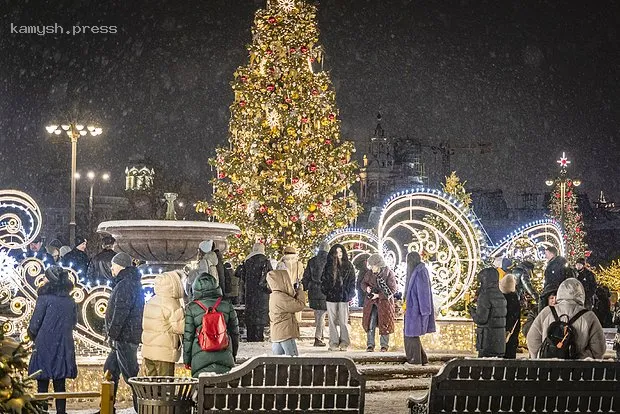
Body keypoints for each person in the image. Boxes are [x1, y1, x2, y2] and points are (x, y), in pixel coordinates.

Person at [27, 266, 77, 414]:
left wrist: (32, 335)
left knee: (42, 382)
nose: (43, 279)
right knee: (60, 383)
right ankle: (61, 411)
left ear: (50, 280)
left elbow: (35, 324)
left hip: (44, 344)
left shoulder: (44, 298)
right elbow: (74, 322)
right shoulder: (70, 300)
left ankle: (42, 411)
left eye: (45, 276)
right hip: (63, 344)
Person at [104, 252, 144, 412]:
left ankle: (141, 407)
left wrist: (112, 333)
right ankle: (107, 407)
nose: (111, 268)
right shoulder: (127, 282)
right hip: (123, 337)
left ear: (120, 265)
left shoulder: (126, 284)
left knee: (131, 375)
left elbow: (121, 311)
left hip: (124, 337)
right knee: (110, 370)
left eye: (113, 265)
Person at [527, 278, 606, 359]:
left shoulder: (547, 312)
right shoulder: (589, 316)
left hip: (549, 367)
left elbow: (532, 338)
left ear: (560, 292)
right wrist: (585, 357)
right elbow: (599, 348)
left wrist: (540, 356)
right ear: (581, 294)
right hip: (579, 369)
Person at [183, 273, 239, 377]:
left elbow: (188, 337)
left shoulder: (192, 308)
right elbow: (235, 333)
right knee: (223, 388)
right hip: (224, 357)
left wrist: (187, 361)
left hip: (200, 360)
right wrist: (232, 354)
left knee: (200, 390)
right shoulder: (227, 305)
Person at [141, 271, 185, 376]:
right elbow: (181, 328)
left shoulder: (151, 301)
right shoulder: (171, 304)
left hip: (148, 352)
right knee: (166, 387)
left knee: (151, 386)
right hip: (164, 353)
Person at [321, 244, 356, 351]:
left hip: (343, 297)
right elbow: (323, 280)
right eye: (337, 252)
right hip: (331, 297)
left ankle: (344, 342)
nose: (339, 254)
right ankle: (333, 342)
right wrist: (326, 291)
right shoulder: (328, 266)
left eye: (341, 251)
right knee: (332, 321)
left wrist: (349, 294)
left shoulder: (348, 265)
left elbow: (352, 281)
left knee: (343, 321)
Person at [267, 263, 307, 356]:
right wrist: (300, 291)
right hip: (285, 334)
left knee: (278, 363)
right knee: (293, 361)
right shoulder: (281, 297)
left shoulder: (275, 295)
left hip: (277, 333)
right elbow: (299, 305)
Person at [403, 251, 435, 365]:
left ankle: (414, 360)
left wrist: (425, 311)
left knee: (411, 335)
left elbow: (424, 293)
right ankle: (421, 358)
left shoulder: (420, 272)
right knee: (411, 334)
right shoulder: (417, 271)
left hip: (416, 310)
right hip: (413, 309)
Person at [361, 253, 397, 352]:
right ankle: (370, 344)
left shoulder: (389, 273)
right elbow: (363, 283)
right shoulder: (369, 273)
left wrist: (379, 295)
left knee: (384, 323)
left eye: (373, 266)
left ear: (379, 265)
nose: (372, 268)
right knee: (371, 323)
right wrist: (366, 288)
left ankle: (384, 345)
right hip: (371, 303)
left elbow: (392, 289)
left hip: (384, 304)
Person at [236, 242, 272, 342]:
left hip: (250, 294)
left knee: (251, 317)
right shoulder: (265, 261)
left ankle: (250, 337)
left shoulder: (247, 261)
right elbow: (270, 277)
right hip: (262, 295)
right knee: (260, 318)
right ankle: (258, 337)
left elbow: (241, 278)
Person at [469, 267, 507, 357]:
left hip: (487, 340)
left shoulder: (485, 296)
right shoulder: (500, 295)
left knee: (485, 368)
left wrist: (472, 312)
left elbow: (481, 319)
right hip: (499, 342)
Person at [302, 241, 329, 347]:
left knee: (318, 315)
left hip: (313, 291)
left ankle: (320, 337)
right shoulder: (330, 261)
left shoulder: (312, 261)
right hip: (324, 291)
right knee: (321, 315)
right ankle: (318, 338)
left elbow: (306, 276)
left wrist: (306, 286)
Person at [500, 274, 521, 359]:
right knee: (510, 352)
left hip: (502, 328)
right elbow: (515, 315)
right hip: (511, 330)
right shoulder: (513, 297)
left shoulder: (500, 297)